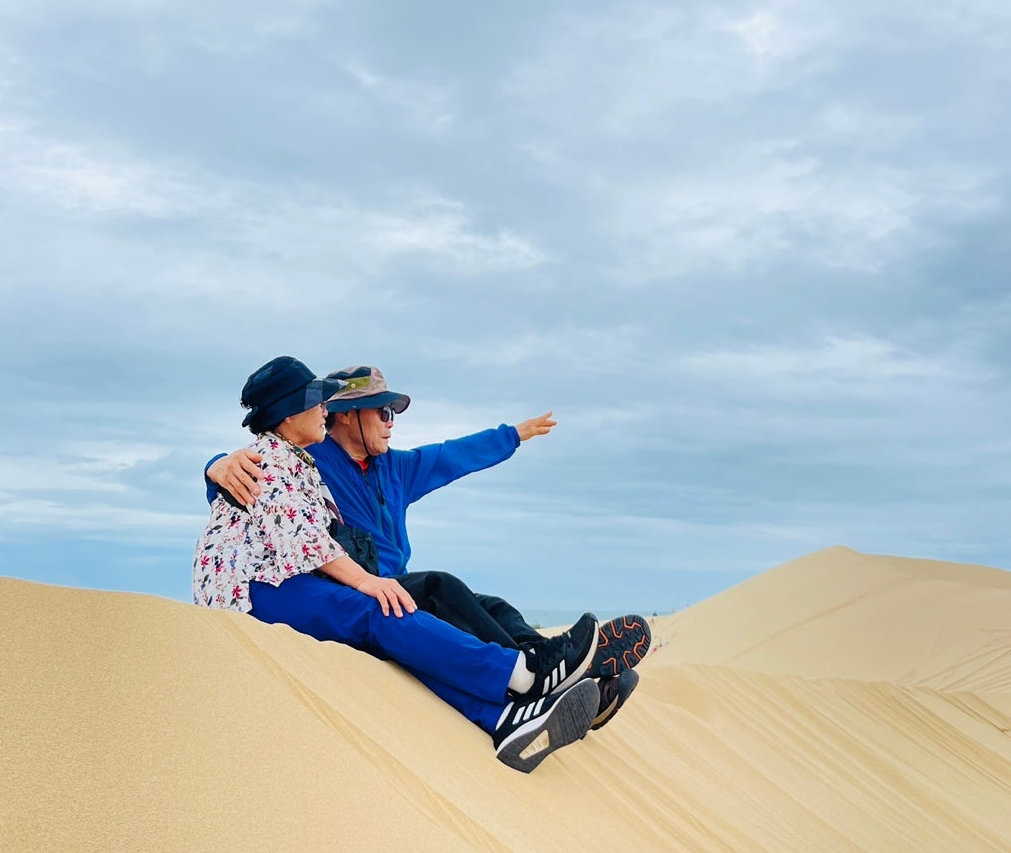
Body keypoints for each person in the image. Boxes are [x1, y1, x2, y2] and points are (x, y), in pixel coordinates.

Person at [193, 356, 603, 773]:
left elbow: (450, 456)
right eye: (318, 402)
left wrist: (512, 435)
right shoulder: (270, 460)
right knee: (390, 609)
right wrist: (214, 468)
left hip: (295, 581)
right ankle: (527, 675)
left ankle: (504, 717)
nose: (324, 410)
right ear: (293, 412)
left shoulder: (323, 463)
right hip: (254, 591)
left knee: (445, 617)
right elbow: (300, 537)